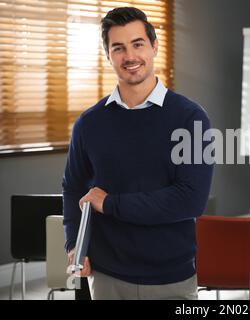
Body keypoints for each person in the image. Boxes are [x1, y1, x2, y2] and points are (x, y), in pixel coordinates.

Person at [62, 7, 213, 300]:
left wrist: (110, 204)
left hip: (171, 276)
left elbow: (190, 200)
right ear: (108, 55)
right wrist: (74, 245)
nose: (129, 56)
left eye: (138, 44)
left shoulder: (191, 118)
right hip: (107, 276)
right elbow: (72, 188)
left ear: (154, 47)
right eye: (118, 48)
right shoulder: (89, 123)